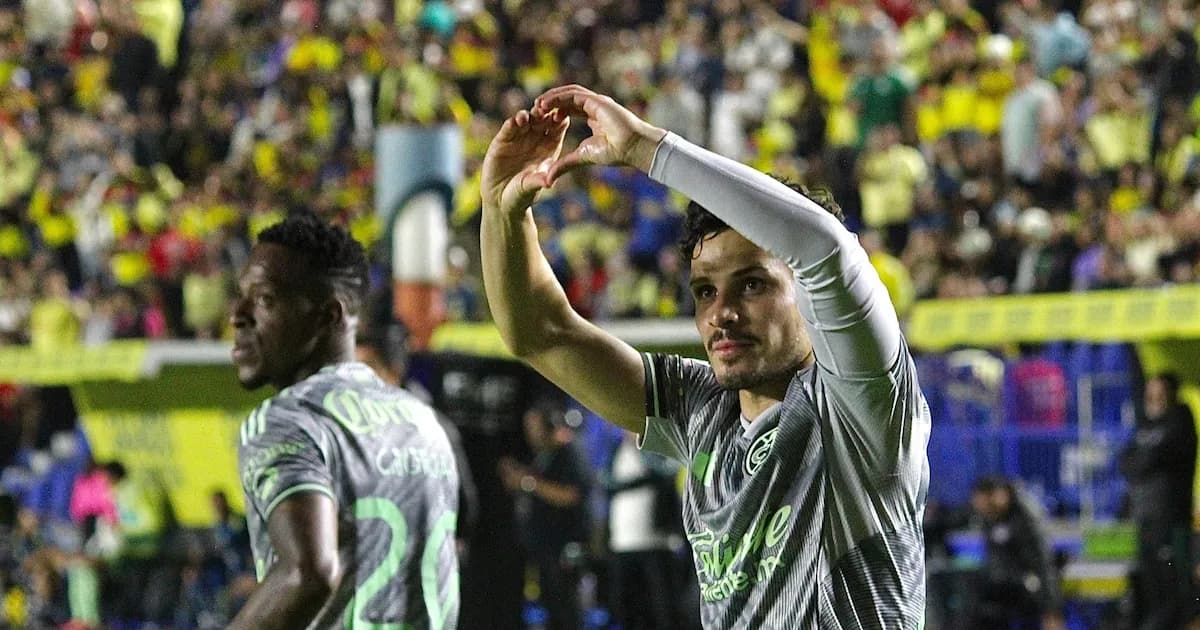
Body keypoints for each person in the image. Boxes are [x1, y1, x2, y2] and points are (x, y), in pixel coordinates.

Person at [480, 84, 931, 627]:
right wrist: (502, 211)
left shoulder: (861, 407)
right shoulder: (701, 410)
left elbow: (825, 248)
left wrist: (647, 148)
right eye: (705, 292)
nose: (721, 314)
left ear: (811, 298)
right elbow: (541, 334)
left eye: (753, 285)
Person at [229, 212, 460, 629]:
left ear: (328, 317)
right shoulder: (424, 423)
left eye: (263, 299)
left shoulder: (291, 421)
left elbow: (309, 573)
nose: (237, 315)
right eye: (241, 296)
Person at [356, 321, 480, 553]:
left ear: (392, 372)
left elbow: (463, 503)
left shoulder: (431, 427)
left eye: (366, 368)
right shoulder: (350, 428)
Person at [497, 401, 593, 630]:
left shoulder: (569, 452)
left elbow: (571, 494)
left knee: (567, 613)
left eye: (535, 427)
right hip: (544, 551)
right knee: (552, 612)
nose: (531, 433)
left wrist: (529, 483)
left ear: (550, 425)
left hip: (563, 552)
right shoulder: (541, 457)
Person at [1119, 373, 1197, 630]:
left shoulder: (1180, 422)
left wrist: (1145, 460)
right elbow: (1127, 462)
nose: (1153, 400)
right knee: (1151, 588)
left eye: (1159, 394)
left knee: (1175, 589)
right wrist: (1144, 460)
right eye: (1149, 395)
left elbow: (1151, 458)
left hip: (1172, 523)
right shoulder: (1146, 427)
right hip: (1146, 522)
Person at [605, 432, 686, 630]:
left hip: (656, 542)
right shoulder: (617, 449)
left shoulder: (656, 447)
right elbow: (605, 481)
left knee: (663, 609)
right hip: (622, 542)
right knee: (628, 608)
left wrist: (627, 483)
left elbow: (664, 474)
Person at [967, 477, 1064, 630]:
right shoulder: (989, 517)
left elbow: (1044, 564)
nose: (986, 510)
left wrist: (1051, 610)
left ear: (999, 495)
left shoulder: (1025, 517)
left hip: (1031, 585)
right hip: (1004, 584)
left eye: (989, 505)